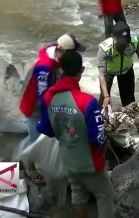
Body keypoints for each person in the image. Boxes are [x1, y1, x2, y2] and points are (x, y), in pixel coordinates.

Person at [37, 50, 115, 218]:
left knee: (78, 193)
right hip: (90, 162)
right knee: (105, 195)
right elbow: (98, 138)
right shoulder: (87, 102)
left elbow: (46, 129)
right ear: (82, 71)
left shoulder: (48, 98)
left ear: (60, 70)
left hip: (68, 158)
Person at [19, 34, 86, 185]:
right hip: (34, 106)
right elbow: (43, 97)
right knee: (35, 138)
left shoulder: (56, 56)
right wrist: (45, 121)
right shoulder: (45, 67)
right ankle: (29, 168)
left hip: (44, 102)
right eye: (73, 52)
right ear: (62, 51)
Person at [97, 21, 139, 109]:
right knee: (103, 101)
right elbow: (101, 74)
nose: (124, 45)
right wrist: (106, 96)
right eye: (121, 42)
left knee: (129, 103)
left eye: (126, 42)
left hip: (127, 71)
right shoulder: (104, 48)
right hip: (109, 72)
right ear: (112, 36)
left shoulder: (135, 42)